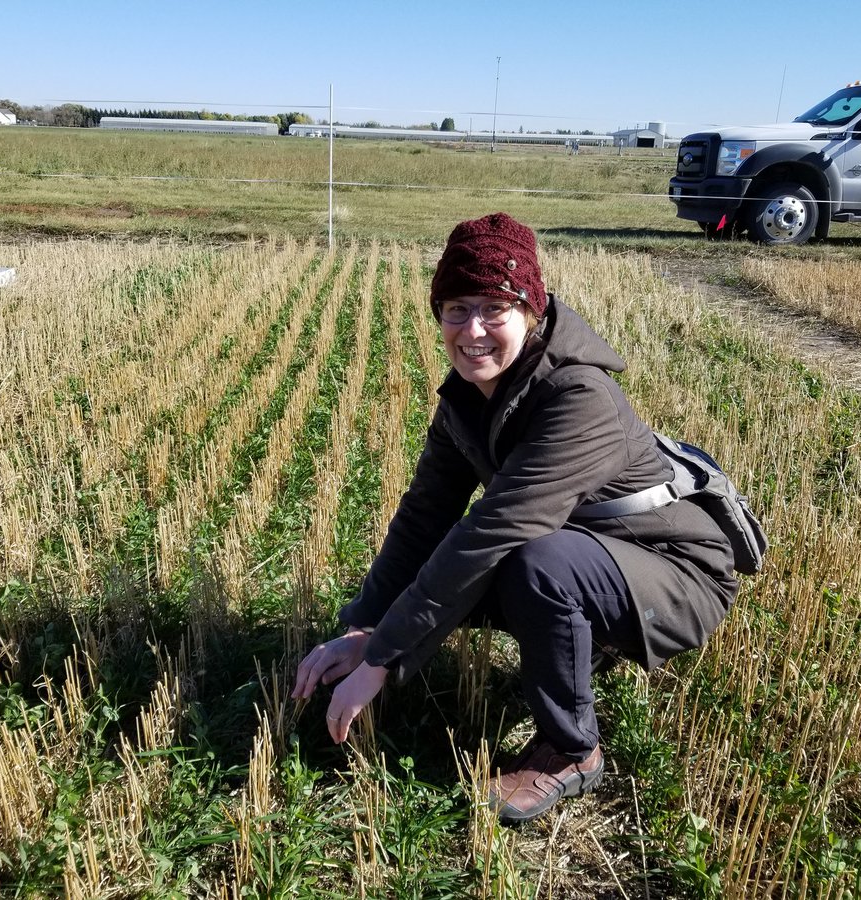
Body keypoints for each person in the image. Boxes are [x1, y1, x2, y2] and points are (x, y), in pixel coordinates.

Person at [291, 212, 737, 823]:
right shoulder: (467, 397)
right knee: (470, 556)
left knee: (533, 562)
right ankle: (581, 639)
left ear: (531, 312)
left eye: (494, 309)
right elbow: (425, 518)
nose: (472, 330)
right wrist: (364, 626)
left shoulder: (580, 398)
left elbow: (493, 533)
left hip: (675, 574)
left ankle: (572, 749)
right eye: (454, 308)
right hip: (596, 552)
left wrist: (382, 660)